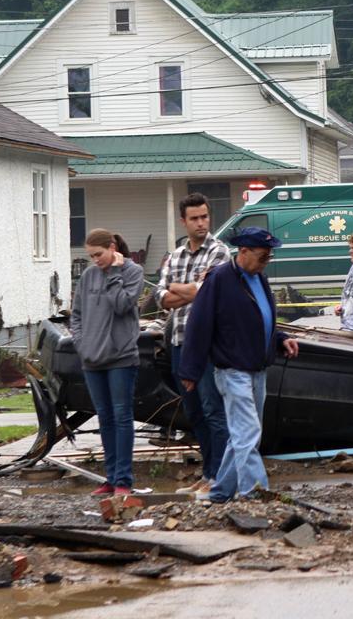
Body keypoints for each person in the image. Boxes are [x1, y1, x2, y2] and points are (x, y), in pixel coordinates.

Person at [179, 227, 299, 502]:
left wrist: (280, 339)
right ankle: (256, 492)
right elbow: (199, 325)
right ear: (243, 252)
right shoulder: (219, 279)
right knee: (247, 433)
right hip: (232, 370)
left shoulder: (260, 279)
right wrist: (190, 369)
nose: (265, 262)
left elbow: (259, 319)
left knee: (242, 437)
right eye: (262, 257)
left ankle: (220, 491)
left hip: (257, 369)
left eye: (268, 258)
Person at [155, 193, 232, 495]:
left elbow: (206, 292)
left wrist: (181, 289)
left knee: (214, 410)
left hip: (209, 345)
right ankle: (207, 473)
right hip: (179, 342)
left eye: (205, 217)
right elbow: (161, 298)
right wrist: (188, 289)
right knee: (195, 412)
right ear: (183, 221)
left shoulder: (220, 252)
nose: (201, 223)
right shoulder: (175, 256)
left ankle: (219, 477)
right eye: (195, 218)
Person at [69, 229, 144, 496]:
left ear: (112, 248)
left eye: (99, 255)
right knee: (105, 419)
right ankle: (110, 478)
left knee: (122, 417)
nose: (95, 261)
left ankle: (123, 481)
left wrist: (113, 274)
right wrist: (81, 343)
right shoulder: (88, 276)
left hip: (121, 358)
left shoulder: (133, 272)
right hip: (92, 359)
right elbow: (75, 315)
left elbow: (122, 305)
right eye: (91, 256)